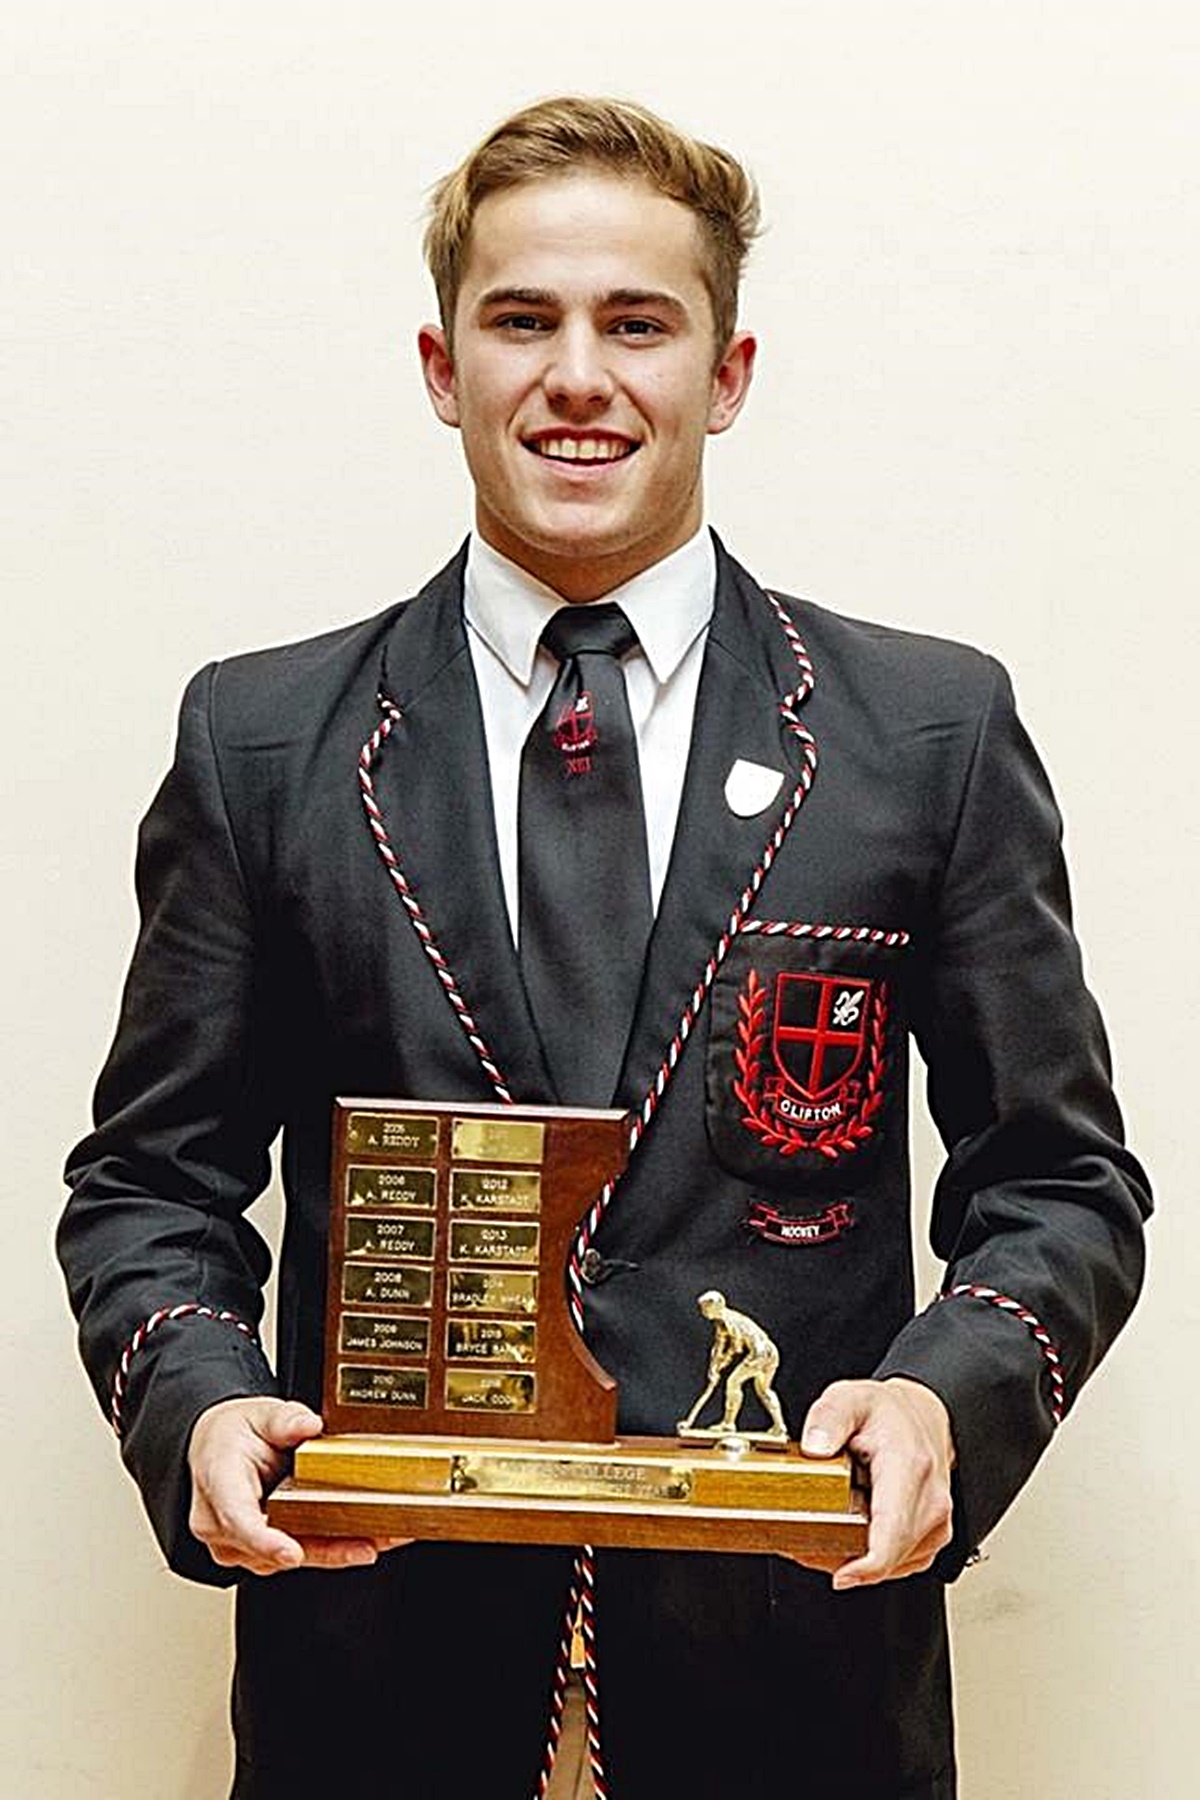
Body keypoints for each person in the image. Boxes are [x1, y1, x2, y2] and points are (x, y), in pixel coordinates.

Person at [58, 96, 1150, 1800]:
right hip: (378, 1679)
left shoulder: (925, 733)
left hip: (794, 1676)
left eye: (638, 323)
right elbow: (150, 1189)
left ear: (726, 373)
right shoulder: (260, 744)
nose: (580, 376)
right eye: (523, 320)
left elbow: (1062, 1182)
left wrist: (946, 1398)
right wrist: (198, 1399)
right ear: (444, 364)